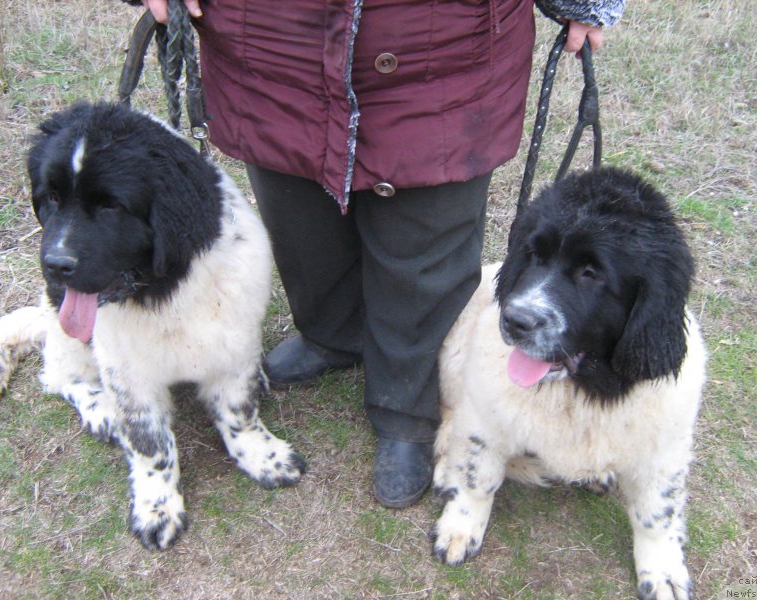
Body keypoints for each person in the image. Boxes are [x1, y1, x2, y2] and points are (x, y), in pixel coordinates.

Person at [124, 0, 625, 509]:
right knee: (299, 213)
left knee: (426, 242)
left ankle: (405, 405)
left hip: (440, 49)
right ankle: (331, 335)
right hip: (270, 41)